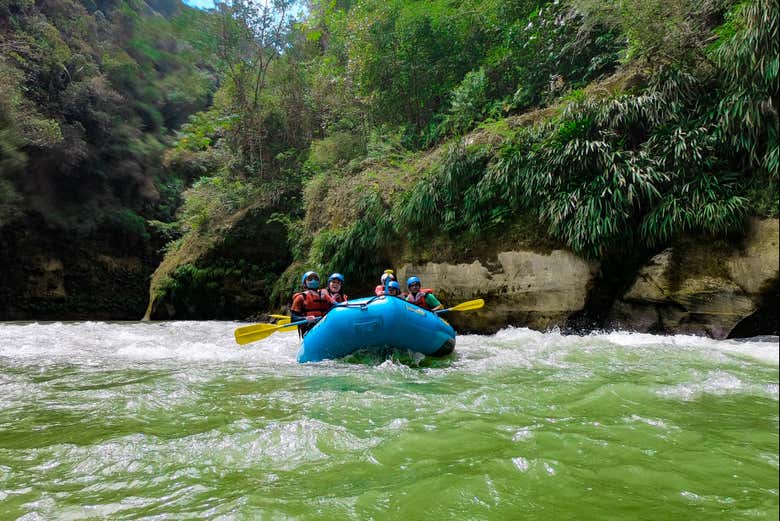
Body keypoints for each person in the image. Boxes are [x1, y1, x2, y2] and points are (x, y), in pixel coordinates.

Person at [290, 271, 331, 337]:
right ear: (304, 283)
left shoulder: (325, 296)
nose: (313, 281)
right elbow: (293, 318)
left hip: (325, 327)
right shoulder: (300, 297)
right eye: (310, 279)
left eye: (316, 279)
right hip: (309, 329)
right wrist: (306, 318)